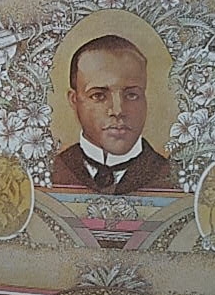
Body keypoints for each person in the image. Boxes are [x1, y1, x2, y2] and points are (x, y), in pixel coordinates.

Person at [51, 34, 173, 194]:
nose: (118, 111)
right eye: (98, 96)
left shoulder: (171, 176)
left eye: (131, 95)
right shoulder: (52, 171)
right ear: (74, 100)